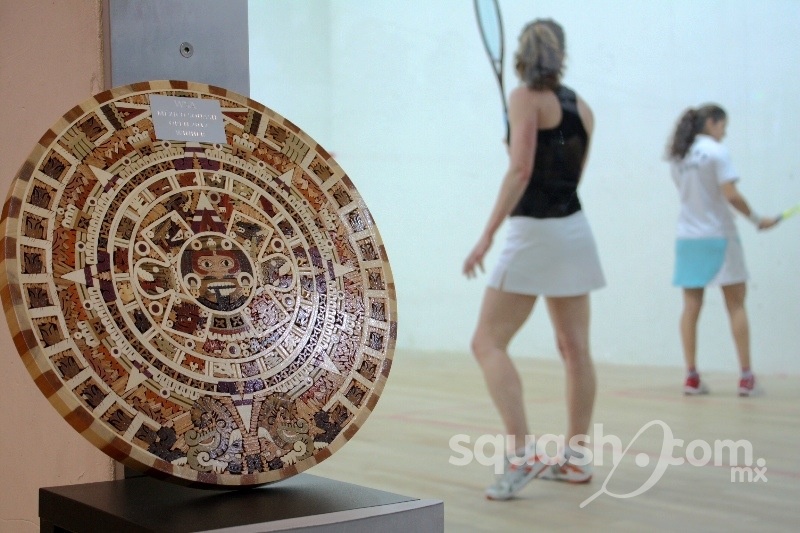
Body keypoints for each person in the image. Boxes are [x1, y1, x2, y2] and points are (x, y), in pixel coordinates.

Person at [463, 19, 605, 501]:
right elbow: (566, 175)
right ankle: (577, 458)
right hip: (575, 232)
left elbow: (522, 170)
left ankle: (522, 453)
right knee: (575, 348)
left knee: (487, 342)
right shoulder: (583, 107)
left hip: (534, 233)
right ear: (560, 54)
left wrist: (486, 236)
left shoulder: (524, 98)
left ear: (523, 54)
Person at [667, 104, 778, 397]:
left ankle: (691, 378)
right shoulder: (716, 152)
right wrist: (758, 220)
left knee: (690, 307)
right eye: (723, 127)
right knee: (736, 305)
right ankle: (746, 379)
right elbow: (731, 194)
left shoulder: (679, 155)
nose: (724, 133)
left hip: (687, 239)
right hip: (718, 237)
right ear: (712, 122)